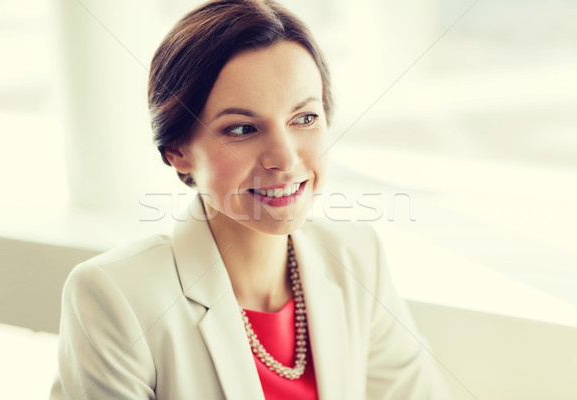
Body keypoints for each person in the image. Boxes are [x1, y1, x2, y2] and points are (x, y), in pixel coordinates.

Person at [50, 0, 452, 399]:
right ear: (177, 151)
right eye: (242, 129)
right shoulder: (115, 296)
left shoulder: (357, 258)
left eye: (305, 118)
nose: (284, 159)